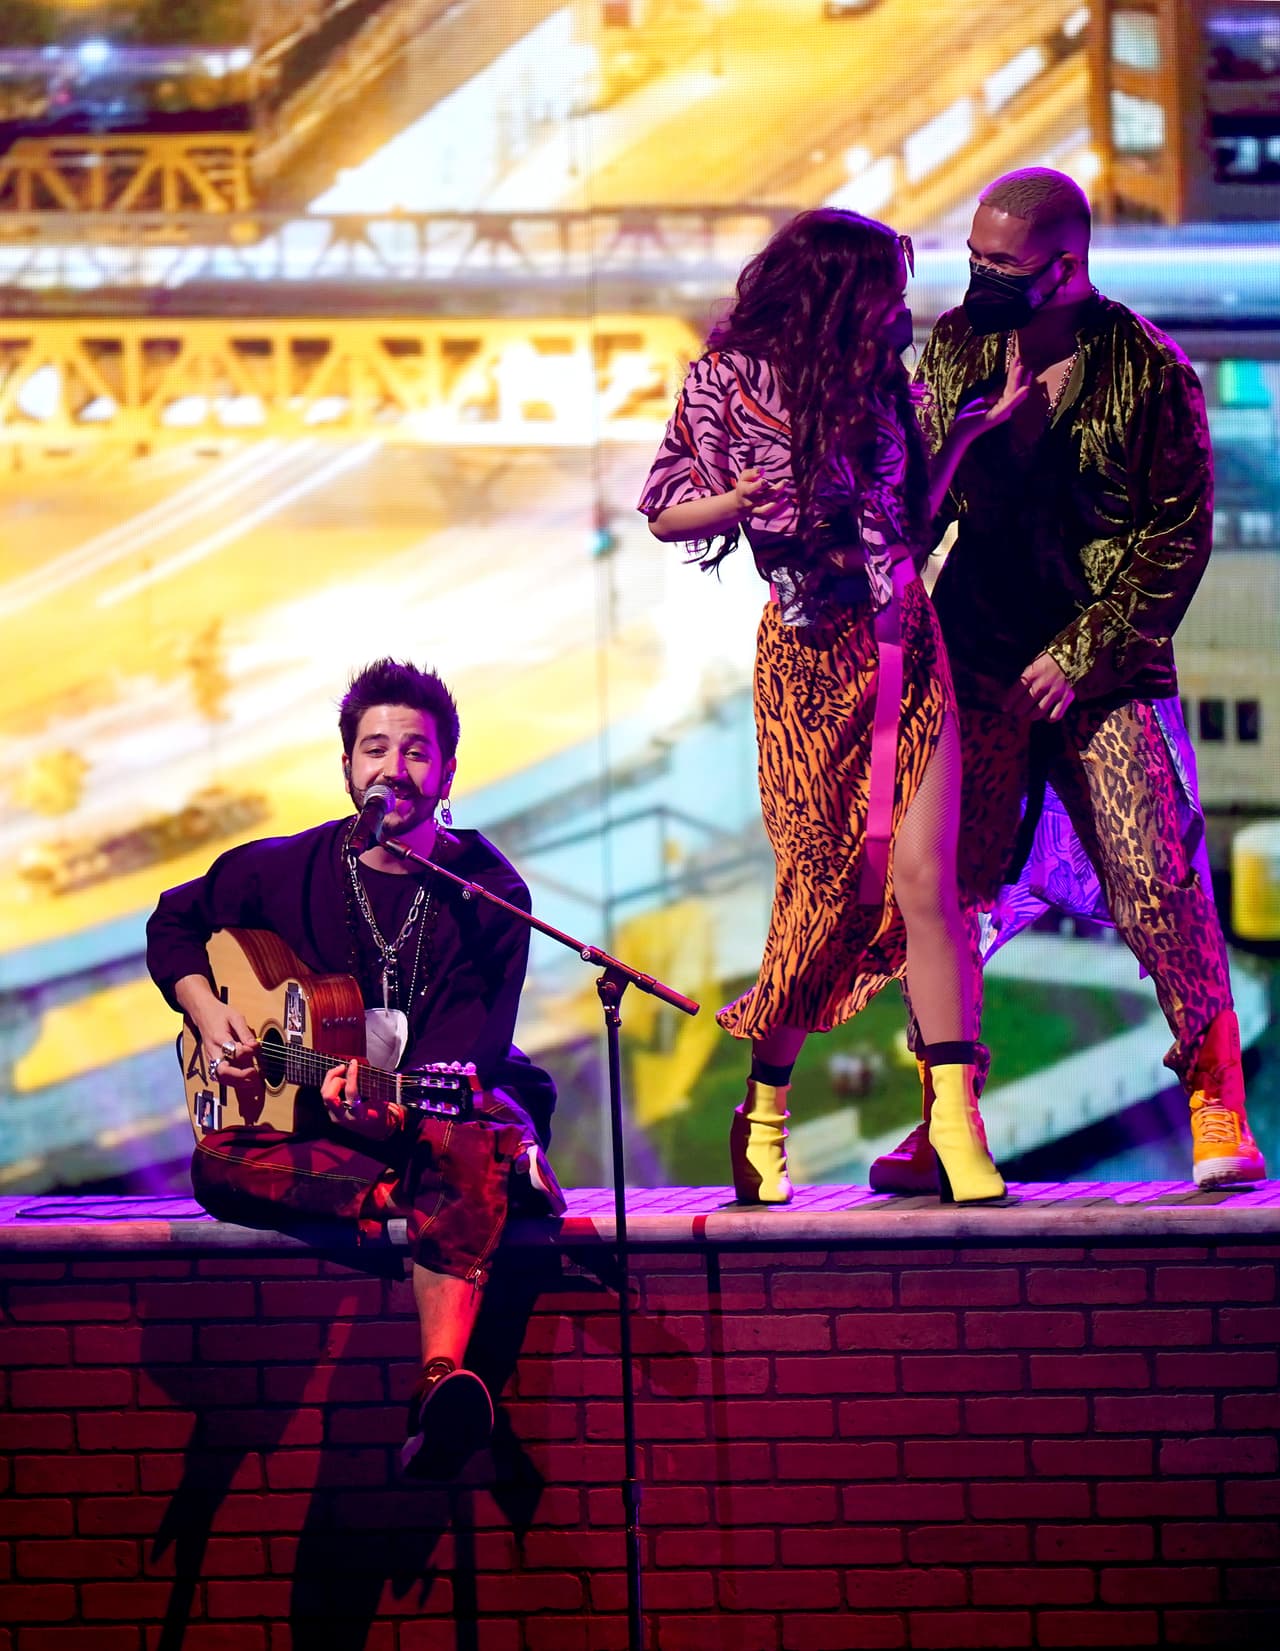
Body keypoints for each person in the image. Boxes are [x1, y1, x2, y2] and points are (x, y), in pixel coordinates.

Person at [871, 167, 1265, 1194]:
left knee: (1156, 872)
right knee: (944, 887)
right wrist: (955, 442)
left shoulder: (1150, 370)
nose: (980, 280)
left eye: (1002, 265)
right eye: (973, 259)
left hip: (1107, 668)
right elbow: (913, 501)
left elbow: (1175, 539)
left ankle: (1216, 1098)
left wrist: (1083, 653)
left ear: (1066, 266)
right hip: (976, 654)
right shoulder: (958, 345)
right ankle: (945, 1116)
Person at [639, 207, 1010, 1208]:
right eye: (886, 288)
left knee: (928, 884)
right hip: (807, 665)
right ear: (834, 290)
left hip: (905, 646)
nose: (900, 309)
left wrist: (964, 437)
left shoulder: (881, 381)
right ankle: (763, 1108)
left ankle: (955, 1122)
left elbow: (906, 523)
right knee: (822, 896)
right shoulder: (725, 381)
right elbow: (664, 506)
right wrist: (738, 501)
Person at [147, 659, 565, 1479]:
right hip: (327, 1121)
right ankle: (455, 1189)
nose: (393, 768)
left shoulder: (487, 892)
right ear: (347, 767)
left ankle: (439, 1382)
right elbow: (174, 922)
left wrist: (390, 1114)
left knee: (466, 1131)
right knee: (216, 1162)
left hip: (429, 1106)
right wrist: (206, 1009)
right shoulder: (283, 868)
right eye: (375, 749)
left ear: (447, 772)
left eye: (416, 750)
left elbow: (464, 1058)